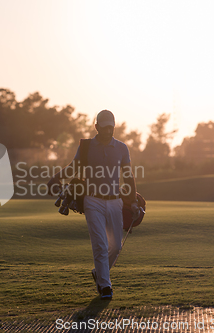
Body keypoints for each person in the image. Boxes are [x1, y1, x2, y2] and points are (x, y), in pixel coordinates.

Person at [47, 110, 137, 299]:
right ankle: (105, 286)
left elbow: (128, 175)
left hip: (115, 201)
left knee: (116, 247)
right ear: (96, 127)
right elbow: (74, 167)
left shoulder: (122, 148)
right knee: (100, 244)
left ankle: (99, 272)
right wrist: (57, 177)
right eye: (104, 127)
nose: (108, 130)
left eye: (111, 127)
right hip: (92, 200)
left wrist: (134, 201)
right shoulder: (87, 147)